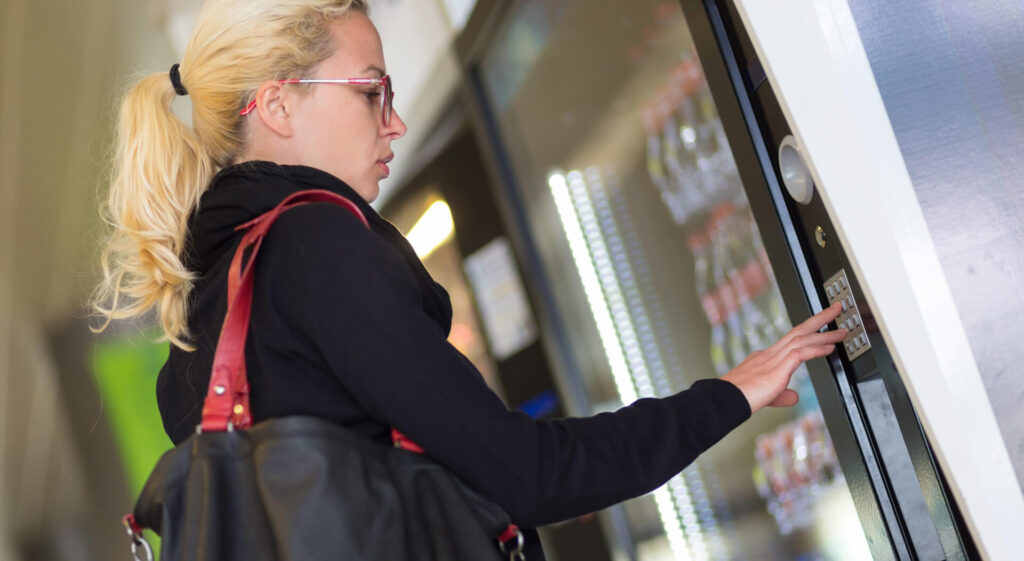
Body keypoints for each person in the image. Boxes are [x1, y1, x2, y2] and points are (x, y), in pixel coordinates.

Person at [92, 0, 847, 558]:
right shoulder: (314, 243)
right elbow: (528, 474)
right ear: (279, 104)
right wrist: (728, 395)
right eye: (369, 92)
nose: (396, 123)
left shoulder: (200, 325)